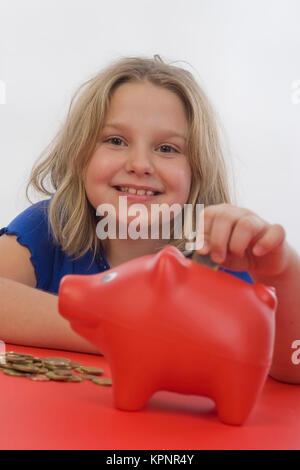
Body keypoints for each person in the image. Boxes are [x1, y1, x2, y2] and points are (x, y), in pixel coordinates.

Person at [0, 55, 299, 384]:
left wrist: (284, 272)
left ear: (197, 171)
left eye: (168, 148)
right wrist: (119, 332)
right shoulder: (49, 225)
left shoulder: (221, 255)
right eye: (115, 141)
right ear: (79, 155)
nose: (140, 164)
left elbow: (292, 368)